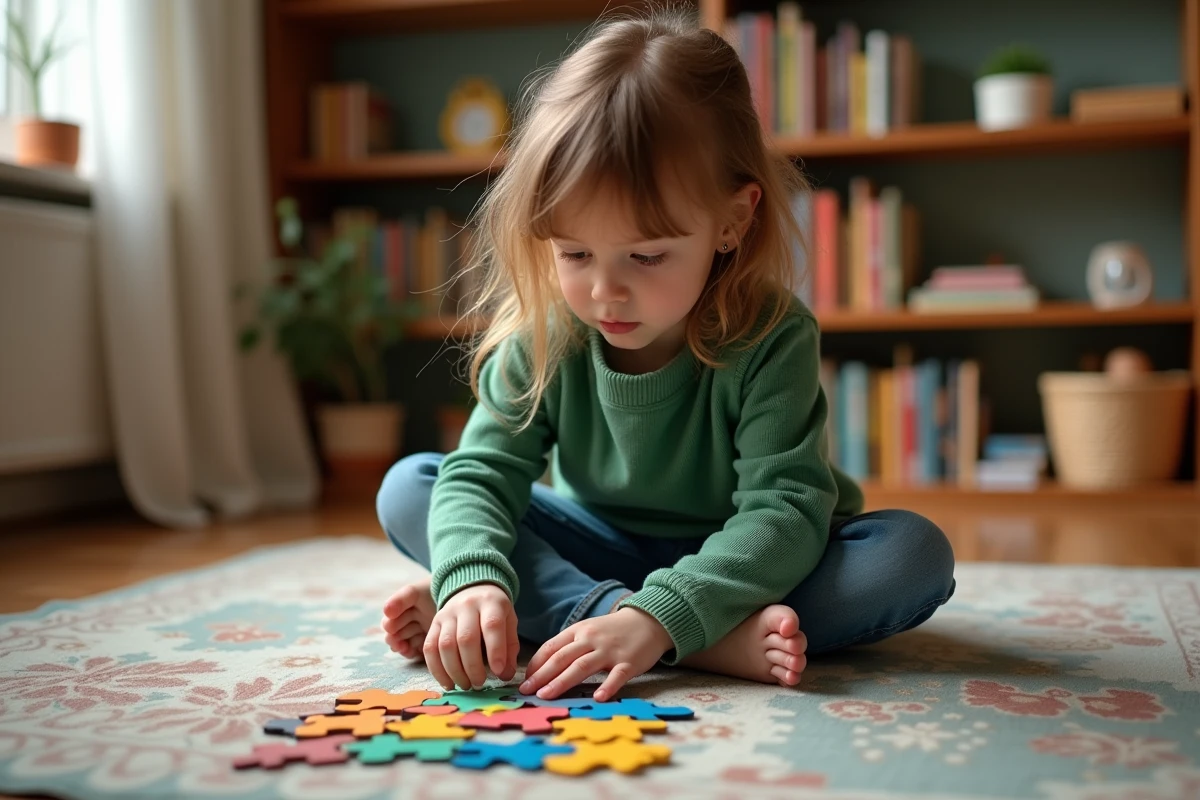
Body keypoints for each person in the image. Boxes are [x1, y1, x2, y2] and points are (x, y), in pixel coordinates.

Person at [375, 8, 955, 703]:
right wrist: (473, 577)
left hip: (754, 558)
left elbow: (785, 512)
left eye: (647, 256)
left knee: (909, 556)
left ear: (733, 221)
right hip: (601, 546)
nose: (604, 290)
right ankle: (682, 637)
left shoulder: (772, 335)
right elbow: (482, 473)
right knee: (413, 486)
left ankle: (592, 620)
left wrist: (659, 612)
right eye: (575, 253)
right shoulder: (549, 330)